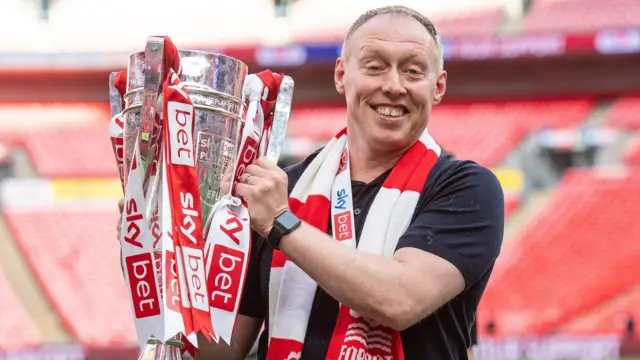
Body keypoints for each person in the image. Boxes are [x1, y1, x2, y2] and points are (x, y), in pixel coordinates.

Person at [119, 5, 504, 360]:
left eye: (413, 71)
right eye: (374, 66)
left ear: (438, 86)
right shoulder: (282, 190)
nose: (393, 85)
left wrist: (282, 224)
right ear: (342, 75)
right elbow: (220, 351)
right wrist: (155, 251)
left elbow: (399, 299)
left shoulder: (467, 188)